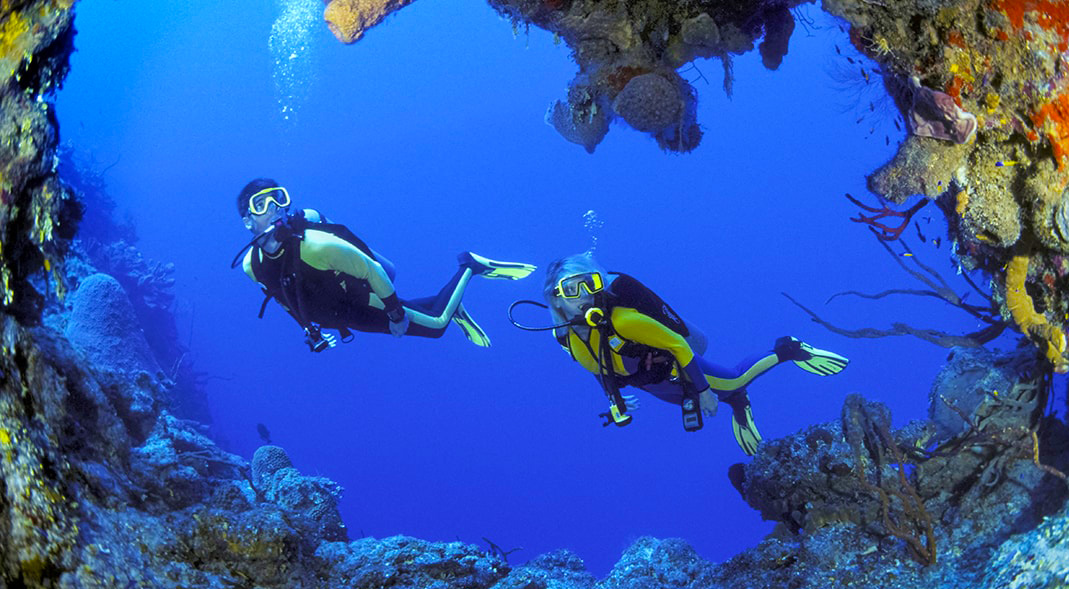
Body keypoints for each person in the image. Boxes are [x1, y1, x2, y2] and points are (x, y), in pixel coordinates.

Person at [538, 252, 849, 455]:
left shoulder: (623, 320)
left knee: (735, 380)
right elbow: (596, 366)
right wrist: (614, 400)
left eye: (588, 284)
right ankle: (737, 403)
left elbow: (679, 346)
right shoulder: (564, 337)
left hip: (679, 365)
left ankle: (788, 349)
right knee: (687, 403)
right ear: (556, 300)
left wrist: (704, 392)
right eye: (571, 290)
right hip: (648, 381)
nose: (583, 297)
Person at [234, 178, 535, 352]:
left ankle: (470, 265)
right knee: (421, 314)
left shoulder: (315, 245)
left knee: (437, 326)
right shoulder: (253, 266)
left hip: (366, 300)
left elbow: (371, 270)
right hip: (346, 316)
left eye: (278, 199)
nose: (274, 209)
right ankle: (448, 303)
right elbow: (285, 299)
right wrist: (309, 331)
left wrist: (394, 313)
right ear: (247, 220)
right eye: (261, 205)